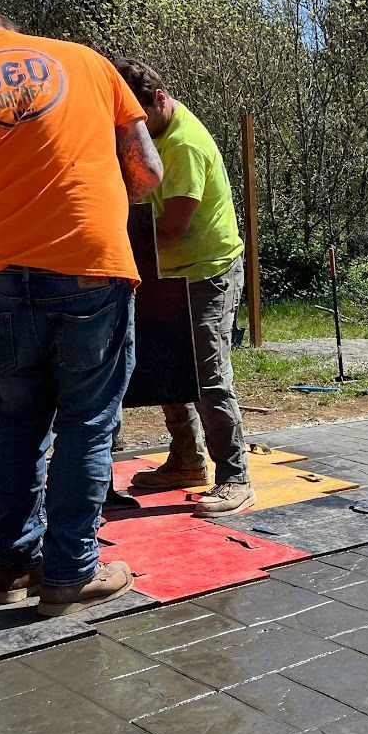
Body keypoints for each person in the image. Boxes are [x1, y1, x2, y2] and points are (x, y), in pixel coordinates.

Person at [0, 0, 164, 616]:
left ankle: (13, 568)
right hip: (91, 264)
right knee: (87, 420)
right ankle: (71, 574)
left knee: (17, 423)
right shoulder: (90, 64)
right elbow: (147, 171)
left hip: (2, 273)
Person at [111, 58, 254, 516]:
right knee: (169, 360)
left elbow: (172, 225)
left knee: (207, 374)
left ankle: (236, 478)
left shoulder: (184, 144)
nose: (130, 128)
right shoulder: (148, 132)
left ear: (159, 99)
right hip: (166, 267)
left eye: (137, 117)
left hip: (206, 268)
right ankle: (187, 460)